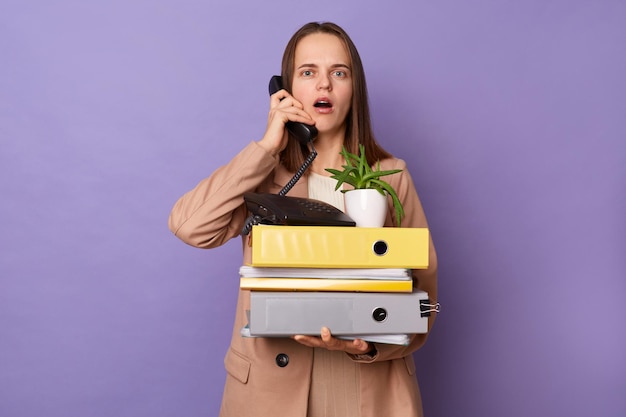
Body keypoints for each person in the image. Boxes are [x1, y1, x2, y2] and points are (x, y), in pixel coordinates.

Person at [168, 21, 438, 417]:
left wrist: (372, 345)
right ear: (287, 89)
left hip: (368, 388)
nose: (323, 85)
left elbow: (425, 300)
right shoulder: (263, 174)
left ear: (353, 90)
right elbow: (190, 225)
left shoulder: (391, 175)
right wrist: (266, 147)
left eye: (339, 73)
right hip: (272, 392)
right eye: (308, 72)